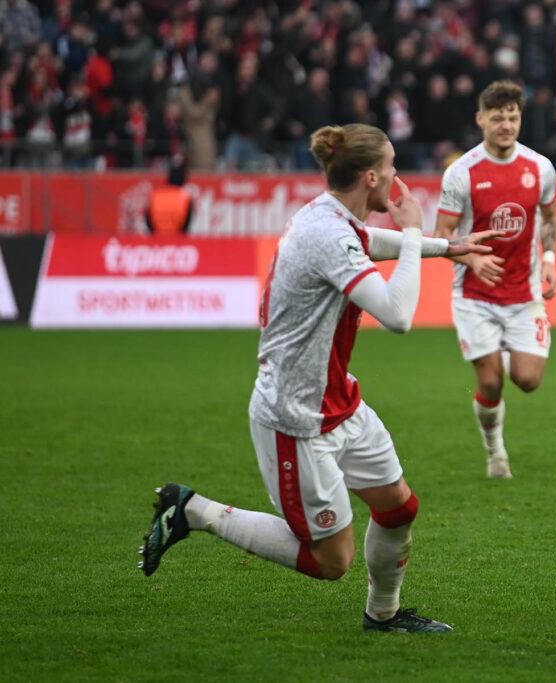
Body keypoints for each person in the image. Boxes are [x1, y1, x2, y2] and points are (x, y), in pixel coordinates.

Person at [139, 123, 496, 632]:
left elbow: (369, 241)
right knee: (331, 561)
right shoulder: (327, 233)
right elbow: (397, 315)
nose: (396, 175)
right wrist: (417, 233)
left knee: (398, 506)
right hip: (295, 416)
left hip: (338, 401)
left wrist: (447, 246)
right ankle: (195, 511)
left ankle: (383, 616)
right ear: (371, 177)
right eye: (391, 166)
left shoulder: (331, 217)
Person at [435, 80, 556, 479]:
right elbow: (442, 235)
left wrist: (549, 259)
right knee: (490, 383)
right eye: (497, 118)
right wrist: (472, 259)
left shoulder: (539, 168)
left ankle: (501, 350)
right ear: (481, 120)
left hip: (524, 292)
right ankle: (496, 453)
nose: (506, 125)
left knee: (527, 380)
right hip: (475, 294)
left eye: (512, 117)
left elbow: (551, 220)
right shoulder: (461, 173)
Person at [145, 158, 192, 235]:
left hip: (156, 238)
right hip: (177, 239)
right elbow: (186, 224)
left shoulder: (155, 195)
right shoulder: (185, 197)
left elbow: (148, 220)